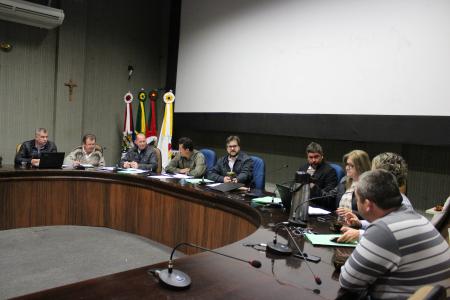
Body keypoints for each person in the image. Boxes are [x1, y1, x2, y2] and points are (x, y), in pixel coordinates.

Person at [338, 169, 450, 299]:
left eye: (357, 199)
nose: (356, 204)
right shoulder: (416, 217)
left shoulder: (383, 230)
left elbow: (348, 281)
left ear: (368, 204)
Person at [338, 152, 413, 242]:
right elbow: (383, 223)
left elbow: (390, 235)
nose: (370, 174)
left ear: (383, 176)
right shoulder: (394, 197)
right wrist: (361, 223)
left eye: (373, 171)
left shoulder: (401, 202)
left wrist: (360, 234)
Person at [301, 142, 338, 209]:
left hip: (319, 207)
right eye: (311, 157)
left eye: (316, 157)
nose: (313, 160)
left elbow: (327, 197)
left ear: (322, 155)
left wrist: (312, 186)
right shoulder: (303, 168)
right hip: (302, 204)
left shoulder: (330, 171)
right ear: (307, 157)